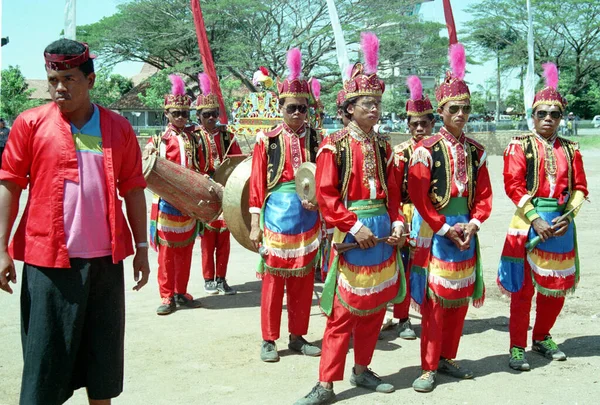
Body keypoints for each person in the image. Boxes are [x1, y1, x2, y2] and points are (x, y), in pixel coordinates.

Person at [0, 39, 150, 405]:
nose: (59, 88)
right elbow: (9, 183)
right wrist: (0, 248)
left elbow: (132, 188)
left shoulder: (117, 128)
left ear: (91, 79)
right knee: (45, 368)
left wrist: (142, 248)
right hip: (49, 264)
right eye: (53, 79)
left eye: (69, 78)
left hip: (105, 263)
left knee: (102, 369)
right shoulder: (30, 124)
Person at [296, 33, 406, 405]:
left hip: (380, 232)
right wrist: (353, 226)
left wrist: (397, 223)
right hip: (351, 231)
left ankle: (362, 369)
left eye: (377, 103)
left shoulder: (383, 145)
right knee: (343, 310)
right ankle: (326, 383)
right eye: (366, 103)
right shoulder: (334, 144)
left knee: (375, 305)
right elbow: (326, 195)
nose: (374, 109)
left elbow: (392, 192)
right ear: (348, 108)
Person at [407, 43, 492, 393]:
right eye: (453, 108)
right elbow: (418, 195)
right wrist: (444, 227)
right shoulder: (424, 150)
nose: (460, 114)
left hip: (465, 232)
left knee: (458, 301)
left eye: (465, 108)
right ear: (441, 111)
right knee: (435, 304)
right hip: (435, 229)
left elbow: (484, 196)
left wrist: (473, 224)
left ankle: (448, 357)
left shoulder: (476, 151)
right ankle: (428, 366)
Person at [498, 62, 588, 372]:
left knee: (556, 288)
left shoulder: (572, 149)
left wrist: (568, 215)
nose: (548, 119)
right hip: (527, 223)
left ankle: (542, 336)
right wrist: (536, 218)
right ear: (533, 116)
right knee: (524, 290)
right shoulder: (519, 145)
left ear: (562, 118)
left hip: (561, 225)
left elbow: (581, 188)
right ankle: (516, 346)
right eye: (542, 114)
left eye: (554, 114)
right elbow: (513, 184)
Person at [249, 48, 322, 363]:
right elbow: (256, 184)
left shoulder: (318, 140)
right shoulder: (267, 140)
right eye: (292, 108)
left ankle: (298, 335)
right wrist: (255, 222)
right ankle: (269, 338)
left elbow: (328, 179)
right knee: (274, 279)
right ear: (279, 107)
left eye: (303, 109)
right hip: (278, 215)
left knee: (304, 280)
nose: (297, 114)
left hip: (309, 217)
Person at [148, 74, 202, 315]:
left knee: (185, 250)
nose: (181, 118)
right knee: (168, 253)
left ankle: (181, 291)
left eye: (184, 114)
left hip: (188, 203)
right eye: (176, 113)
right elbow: (149, 170)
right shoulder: (158, 140)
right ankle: (167, 295)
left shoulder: (193, 138)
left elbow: (199, 168)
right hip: (168, 203)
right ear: (167, 114)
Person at [390, 75, 435, 340]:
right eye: (414, 124)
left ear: (432, 123)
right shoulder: (399, 153)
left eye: (424, 123)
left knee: (431, 264)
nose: (419, 128)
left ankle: (429, 308)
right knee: (405, 266)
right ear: (408, 125)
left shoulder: (439, 149)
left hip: (433, 217)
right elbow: (395, 192)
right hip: (407, 215)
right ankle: (403, 317)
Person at [193, 73, 242, 295]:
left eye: (214, 114)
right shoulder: (193, 138)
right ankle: (208, 278)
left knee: (224, 239)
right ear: (199, 116)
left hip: (226, 192)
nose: (212, 118)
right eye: (207, 115)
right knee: (207, 240)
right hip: (204, 191)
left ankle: (221, 278)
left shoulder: (227, 136)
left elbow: (238, 161)